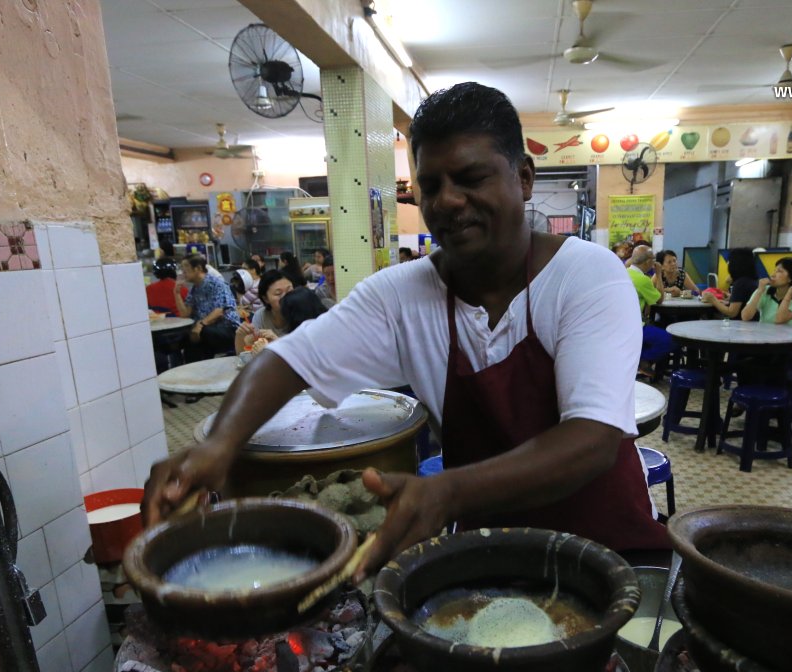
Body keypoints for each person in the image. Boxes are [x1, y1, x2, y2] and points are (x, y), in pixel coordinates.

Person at [143, 81, 671, 575]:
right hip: (492, 554)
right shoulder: (400, 295)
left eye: (470, 178)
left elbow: (594, 439)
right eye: (430, 185)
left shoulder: (587, 276)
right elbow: (287, 360)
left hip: (609, 552)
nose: (446, 201)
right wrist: (220, 444)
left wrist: (448, 491)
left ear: (525, 178)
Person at [174, 254, 242, 361]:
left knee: (203, 334)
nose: (183, 271)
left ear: (198, 268)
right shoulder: (195, 289)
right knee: (183, 338)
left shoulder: (216, 283)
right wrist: (177, 294)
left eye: (185, 267)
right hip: (206, 329)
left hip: (228, 329)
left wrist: (200, 325)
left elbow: (219, 311)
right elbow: (185, 314)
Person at [626, 246, 673, 377]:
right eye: (653, 260)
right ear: (648, 262)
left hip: (622, 323)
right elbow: (659, 299)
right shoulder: (642, 279)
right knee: (671, 339)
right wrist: (658, 274)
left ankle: (641, 362)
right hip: (635, 325)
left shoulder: (625, 272)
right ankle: (642, 360)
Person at [234, 270, 295, 354]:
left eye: (289, 291)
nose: (286, 297)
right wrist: (240, 336)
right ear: (265, 299)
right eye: (278, 293)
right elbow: (244, 354)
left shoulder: (302, 313)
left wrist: (277, 342)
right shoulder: (261, 316)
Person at [741, 257, 792, 326]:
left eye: (779, 271)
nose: (772, 275)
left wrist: (790, 291)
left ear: (791, 278)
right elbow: (745, 317)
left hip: (789, 336)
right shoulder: (764, 290)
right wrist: (759, 291)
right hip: (764, 334)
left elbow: (780, 320)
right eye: (774, 270)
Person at [701, 247, 758, 319]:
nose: (728, 263)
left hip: (740, 326)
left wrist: (713, 300)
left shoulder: (740, 283)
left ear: (737, 263)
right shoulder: (751, 280)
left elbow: (732, 312)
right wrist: (731, 298)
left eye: (730, 260)